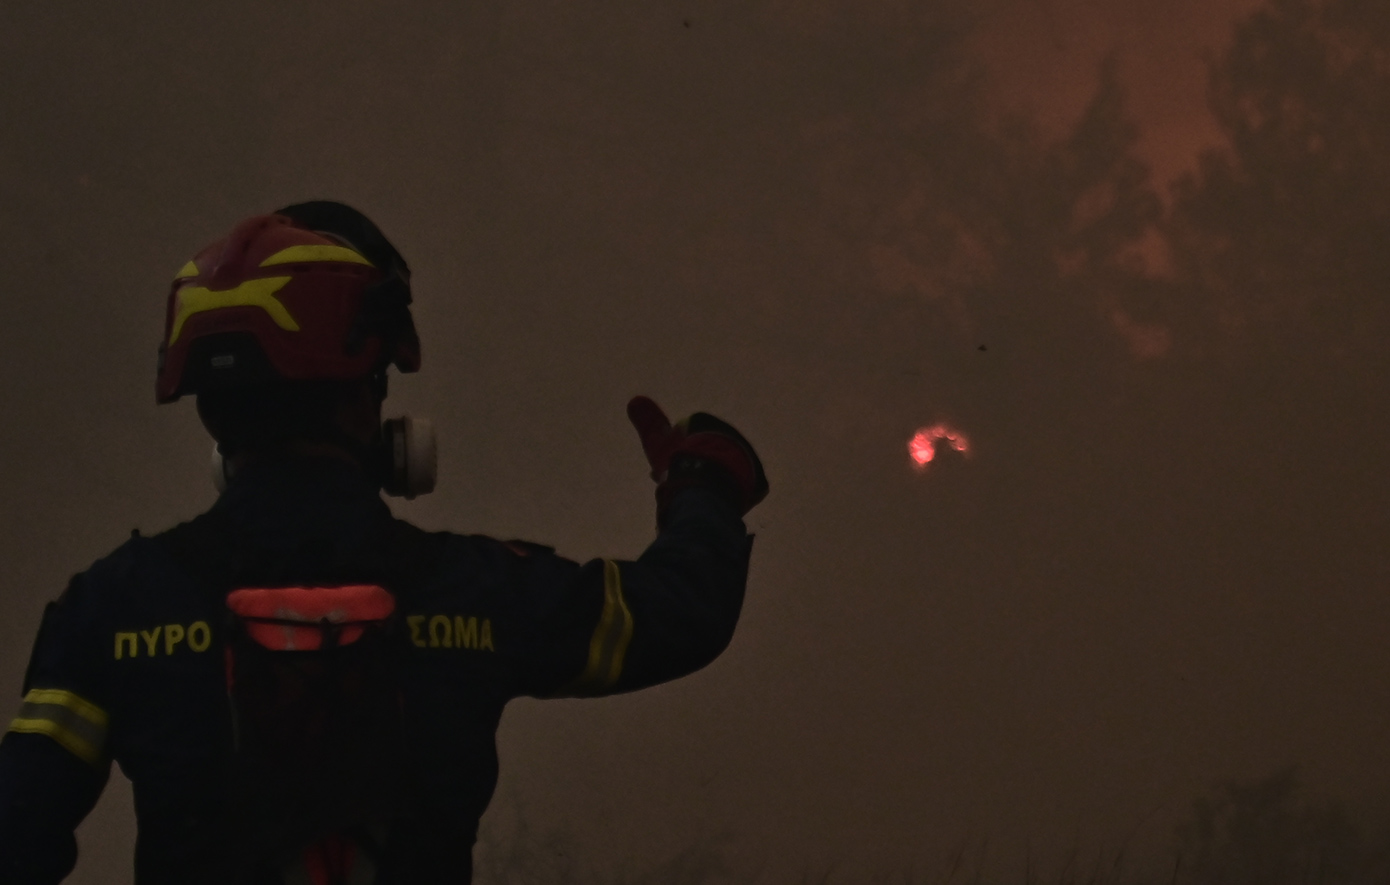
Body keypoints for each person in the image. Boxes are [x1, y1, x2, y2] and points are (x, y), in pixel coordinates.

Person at [0, 202, 766, 884]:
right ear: (363, 394)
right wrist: (703, 487)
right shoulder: (474, 590)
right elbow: (678, 613)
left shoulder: (111, 606)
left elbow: (19, 831)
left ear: (209, 411)